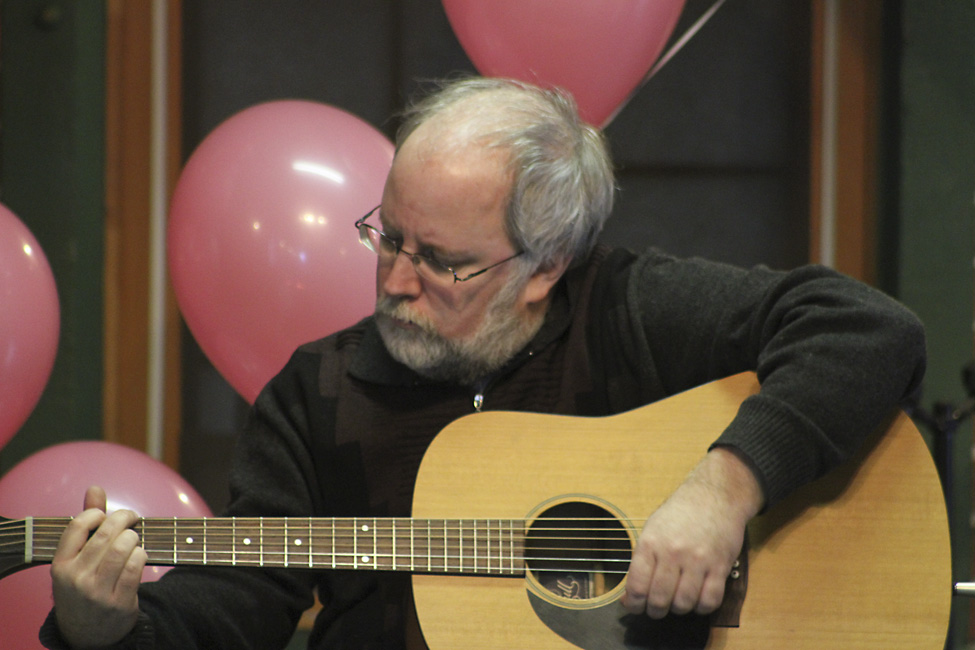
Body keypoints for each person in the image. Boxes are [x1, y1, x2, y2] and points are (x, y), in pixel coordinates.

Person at [42, 77, 925, 649]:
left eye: (442, 260)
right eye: (387, 237)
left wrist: (723, 490)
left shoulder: (629, 309)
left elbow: (868, 330)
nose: (394, 279)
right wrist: (105, 629)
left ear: (546, 265)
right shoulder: (318, 391)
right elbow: (236, 604)